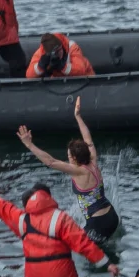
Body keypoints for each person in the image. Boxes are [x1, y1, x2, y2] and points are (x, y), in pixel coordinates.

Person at [17, 97, 120, 244]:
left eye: (69, 156)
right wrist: (77, 116)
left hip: (99, 223)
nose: (67, 158)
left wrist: (29, 145)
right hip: (111, 216)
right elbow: (88, 139)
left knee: (71, 248)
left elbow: (51, 162)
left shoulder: (78, 171)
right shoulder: (93, 161)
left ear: (75, 159)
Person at [25, 33, 94, 79]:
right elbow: (29, 75)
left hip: (83, 81)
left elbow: (81, 70)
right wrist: (40, 66)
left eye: (58, 50)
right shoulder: (41, 52)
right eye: (54, 52)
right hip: (57, 83)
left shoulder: (72, 47)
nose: (57, 54)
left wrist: (63, 66)